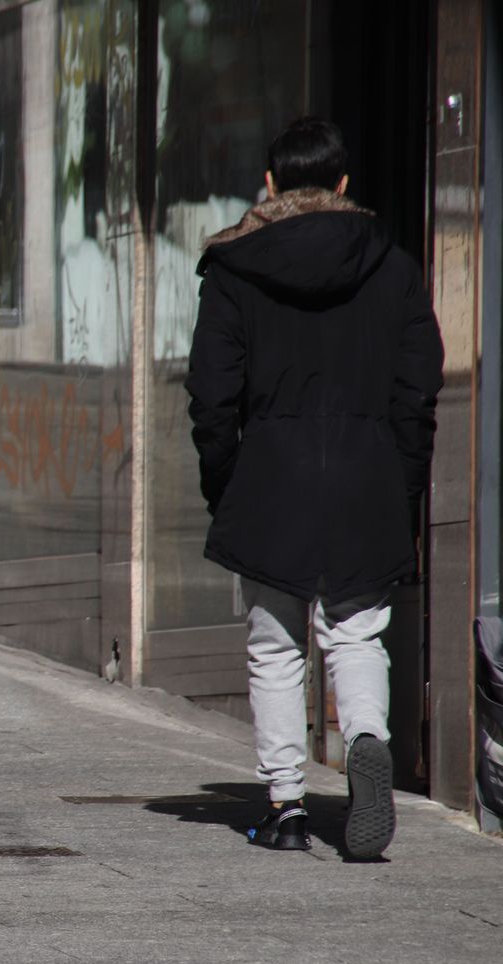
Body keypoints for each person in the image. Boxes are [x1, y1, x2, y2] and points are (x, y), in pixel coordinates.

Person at [186, 116, 444, 860]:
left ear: (268, 185)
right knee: (358, 633)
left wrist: (226, 479)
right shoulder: (393, 266)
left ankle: (287, 806)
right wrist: (402, 484)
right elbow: (417, 389)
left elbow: (211, 394)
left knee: (275, 645)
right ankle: (365, 739)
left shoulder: (234, 267)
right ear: (342, 184)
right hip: (367, 470)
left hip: (270, 471)